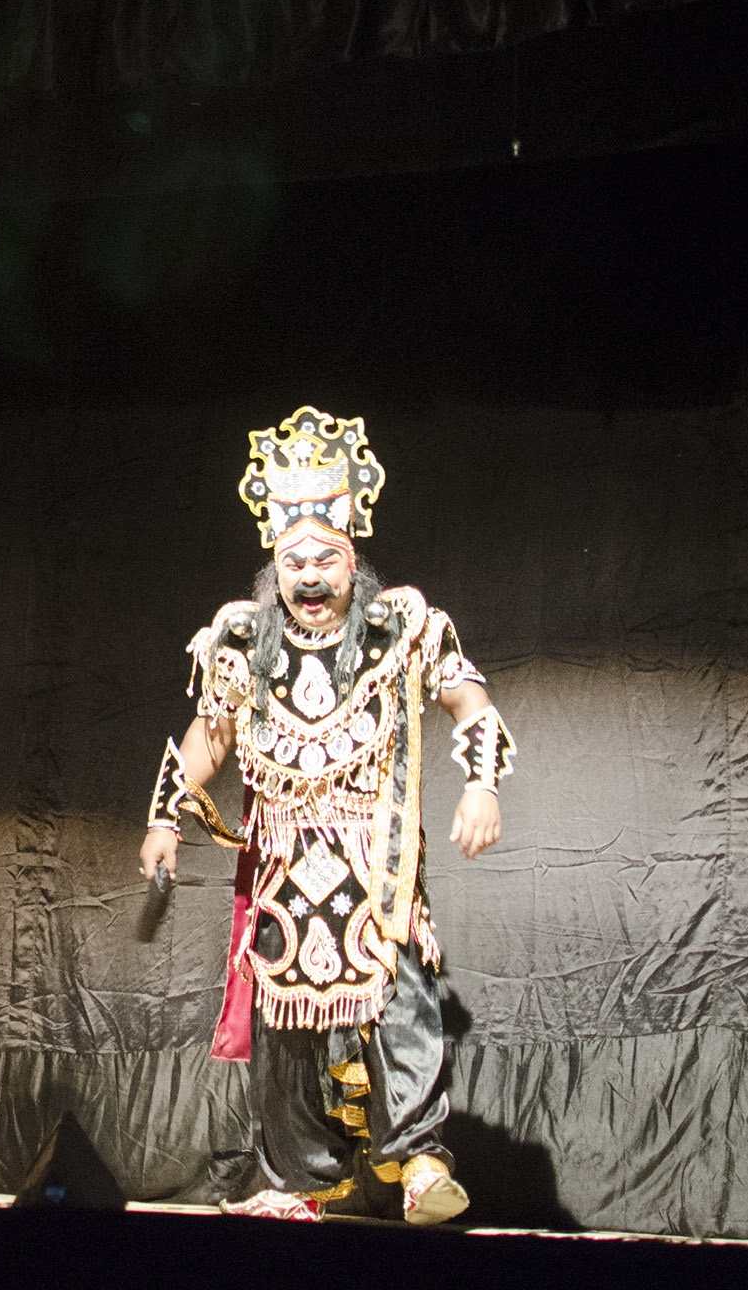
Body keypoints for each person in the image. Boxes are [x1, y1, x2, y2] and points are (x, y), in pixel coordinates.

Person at [137, 408, 515, 1224]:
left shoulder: (401, 628)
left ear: (353, 564)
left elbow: (469, 701)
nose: (310, 577)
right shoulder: (239, 642)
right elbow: (211, 740)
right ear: (274, 568)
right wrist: (165, 815)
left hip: (376, 865)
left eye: (326, 561)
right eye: (294, 562)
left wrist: (482, 787)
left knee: (402, 1002)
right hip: (283, 868)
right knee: (284, 1029)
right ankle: (296, 1178)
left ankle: (418, 1164)